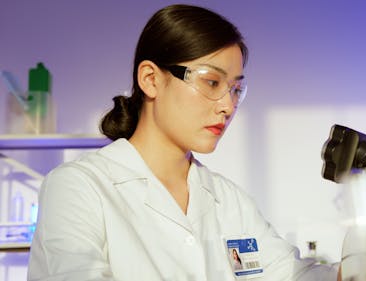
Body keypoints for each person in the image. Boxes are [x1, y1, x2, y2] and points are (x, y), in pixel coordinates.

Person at [27, 4, 339, 281]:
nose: (228, 106)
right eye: (212, 82)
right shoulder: (79, 187)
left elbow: (286, 274)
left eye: (235, 89)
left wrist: (361, 260)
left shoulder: (228, 200)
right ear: (150, 79)